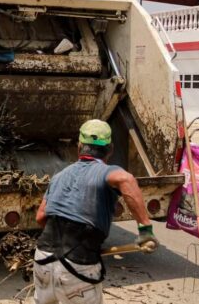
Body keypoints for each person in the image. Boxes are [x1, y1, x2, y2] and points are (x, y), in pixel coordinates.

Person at [33, 119, 159, 304]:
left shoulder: (59, 176)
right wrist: (145, 231)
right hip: (77, 266)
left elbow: (40, 217)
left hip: (43, 260)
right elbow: (126, 180)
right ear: (110, 150)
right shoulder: (105, 171)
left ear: (79, 147)